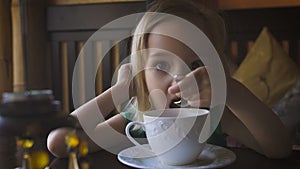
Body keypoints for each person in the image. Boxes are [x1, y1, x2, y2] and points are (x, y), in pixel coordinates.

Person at [47, 0, 291, 159]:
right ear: (142, 74)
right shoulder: (137, 119)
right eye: (161, 65)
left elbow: (279, 149)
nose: (179, 78)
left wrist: (230, 90)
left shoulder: (214, 117)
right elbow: (59, 142)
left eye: (196, 65)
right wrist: (119, 91)